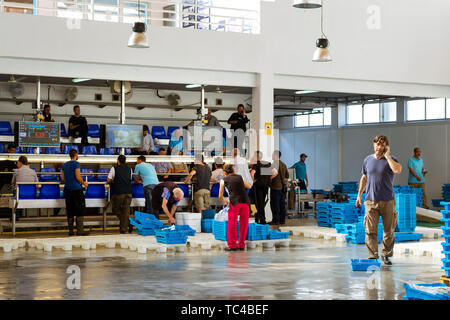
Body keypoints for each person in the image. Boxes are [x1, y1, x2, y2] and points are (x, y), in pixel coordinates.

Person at [356, 135, 402, 265]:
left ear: (386, 146)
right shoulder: (367, 160)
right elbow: (364, 177)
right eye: (377, 144)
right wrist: (359, 194)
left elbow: (397, 170)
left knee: (389, 231)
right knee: (370, 230)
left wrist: (387, 156)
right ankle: (373, 255)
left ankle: (386, 255)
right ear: (373, 144)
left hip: (388, 201)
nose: (379, 147)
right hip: (370, 201)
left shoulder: (391, 160)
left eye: (382, 145)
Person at [219, 164, 252, 251]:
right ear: (233, 170)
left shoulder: (223, 180)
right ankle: (241, 245)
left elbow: (220, 195)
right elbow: (249, 186)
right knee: (244, 224)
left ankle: (232, 245)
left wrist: (226, 201)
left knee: (232, 224)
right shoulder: (240, 177)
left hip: (234, 203)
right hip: (245, 202)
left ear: (224, 172)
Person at [61, 149, 89, 236]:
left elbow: (62, 178)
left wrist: (69, 182)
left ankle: (71, 231)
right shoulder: (76, 163)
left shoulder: (64, 165)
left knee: (70, 210)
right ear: (76, 155)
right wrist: (84, 183)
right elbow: (78, 176)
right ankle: (80, 231)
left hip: (68, 189)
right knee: (80, 209)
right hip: (77, 189)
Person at [107, 155, 133, 234]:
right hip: (129, 193)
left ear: (118, 161)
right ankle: (125, 227)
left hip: (119, 193)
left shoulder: (114, 168)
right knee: (126, 211)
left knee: (115, 209)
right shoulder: (130, 169)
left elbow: (108, 180)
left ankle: (127, 223)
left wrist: (113, 180)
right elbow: (130, 179)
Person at [250, 151, 278, 225]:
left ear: (257, 156)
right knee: (262, 202)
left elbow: (252, 173)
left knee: (259, 203)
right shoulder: (268, 164)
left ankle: (261, 219)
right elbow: (275, 172)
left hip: (258, 186)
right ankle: (261, 218)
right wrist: (269, 178)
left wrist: (253, 181)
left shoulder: (256, 164)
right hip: (266, 186)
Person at [11, 156, 39, 220]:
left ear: (20, 162)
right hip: (31, 194)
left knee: (15, 190)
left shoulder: (16, 171)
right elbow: (37, 185)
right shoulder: (33, 171)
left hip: (20, 194)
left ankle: (15, 215)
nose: (17, 164)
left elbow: (13, 183)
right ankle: (18, 215)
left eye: (17, 162)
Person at [270, 150, 289, 225]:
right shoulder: (283, 164)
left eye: (272, 155)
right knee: (282, 205)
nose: (272, 156)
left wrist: (269, 179)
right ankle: (282, 220)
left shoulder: (274, 164)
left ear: (276, 155)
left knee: (275, 205)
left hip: (275, 187)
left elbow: (271, 174)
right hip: (282, 188)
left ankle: (276, 220)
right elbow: (287, 176)